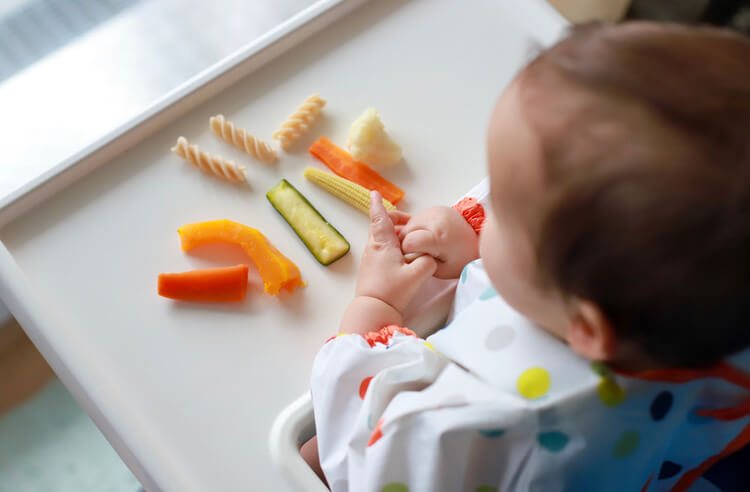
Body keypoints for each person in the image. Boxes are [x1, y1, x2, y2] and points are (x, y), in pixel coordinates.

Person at [301, 21, 750, 492]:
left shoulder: (501, 427)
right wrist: (474, 240)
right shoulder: (703, 306)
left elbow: (362, 459)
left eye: (506, 216)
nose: (487, 212)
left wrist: (376, 307)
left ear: (587, 327)